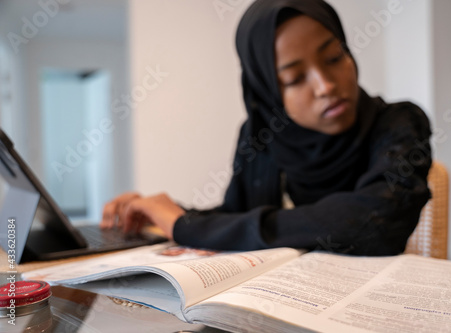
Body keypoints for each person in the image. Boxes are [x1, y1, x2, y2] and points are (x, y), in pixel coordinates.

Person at [100, 0, 432, 256]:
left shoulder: (399, 123)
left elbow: (379, 219)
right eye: (294, 78)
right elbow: (237, 216)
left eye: (333, 58)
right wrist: (166, 214)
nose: (325, 86)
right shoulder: (260, 136)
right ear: (268, 92)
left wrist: (186, 226)